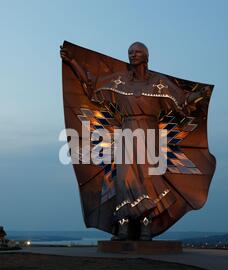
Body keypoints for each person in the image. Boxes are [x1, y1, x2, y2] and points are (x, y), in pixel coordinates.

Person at [61, 42, 211, 241]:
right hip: (126, 134)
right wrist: (72, 62)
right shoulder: (120, 81)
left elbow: (182, 99)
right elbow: (92, 84)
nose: (133, 55)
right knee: (124, 179)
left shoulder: (160, 83)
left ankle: (145, 226)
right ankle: (123, 225)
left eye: (137, 52)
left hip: (150, 135)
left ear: (146, 56)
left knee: (147, 180)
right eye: (130, 52)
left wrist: (200, 95)